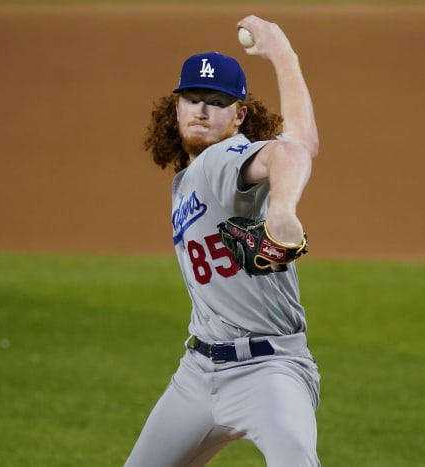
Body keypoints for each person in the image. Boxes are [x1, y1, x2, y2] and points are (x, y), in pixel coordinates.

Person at [124, 14, 320, 467]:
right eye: (192, 98)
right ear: (175, 108)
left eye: (217, 101)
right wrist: (283, 53)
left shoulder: (223, 158)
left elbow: (288, 152)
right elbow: (302, 139)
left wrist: (282, 210)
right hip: (197, 373)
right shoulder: (186, 181)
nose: (202, 110)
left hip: (269, 371)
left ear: (239, 114)